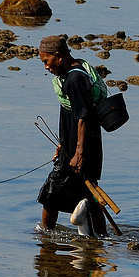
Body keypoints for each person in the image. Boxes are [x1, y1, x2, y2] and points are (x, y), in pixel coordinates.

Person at [36, 35, 107, 237]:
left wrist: (79, 154)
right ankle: (100, 240)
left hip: (79, 149)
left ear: (58, 56)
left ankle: (44, 237)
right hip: (79, 145)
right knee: (90, 193)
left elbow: (83, 117)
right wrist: (62, 143)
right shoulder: (75, 71)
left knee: (52, 192)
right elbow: (73, 116)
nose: (46, 67)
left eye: (46, 61)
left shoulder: (74, 80)